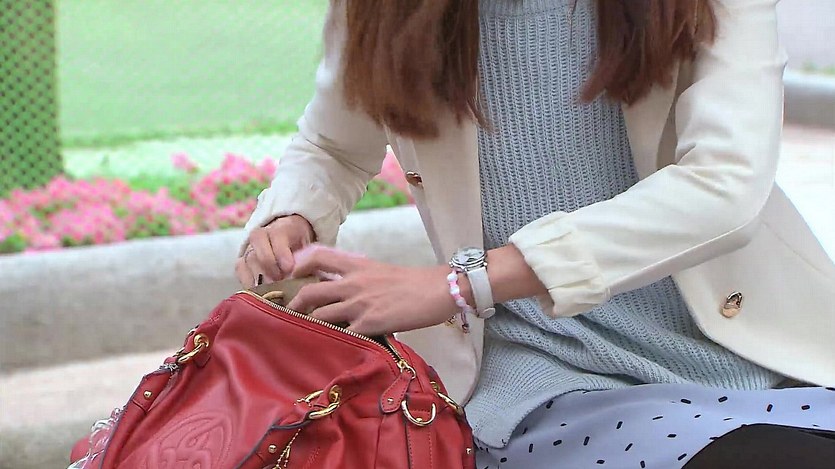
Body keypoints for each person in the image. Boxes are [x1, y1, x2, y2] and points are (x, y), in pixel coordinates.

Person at [236, 0, 835, 467]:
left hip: (760, 354)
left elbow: (724, 184)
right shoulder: (386, 10)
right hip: (550, 380)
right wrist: (294, 215)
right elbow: (333, 145)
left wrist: (464, 282)